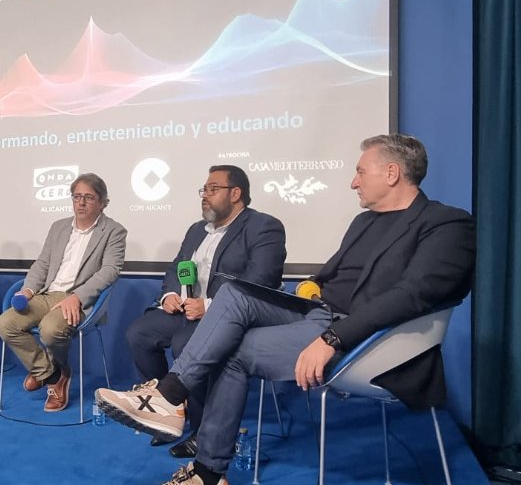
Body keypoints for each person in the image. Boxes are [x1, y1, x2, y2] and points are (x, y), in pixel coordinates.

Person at [95, 134, 476, 485]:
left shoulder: (446, 224)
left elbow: (412, 295)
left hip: (362, 338)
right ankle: (170, 396)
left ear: (392, 173)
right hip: (319, 315)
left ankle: (207, 471)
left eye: (360, 171)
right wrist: (312, 289)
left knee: (232, 350)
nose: (353, 182)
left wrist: (332, 337)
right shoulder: (363, 222)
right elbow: (328, 275)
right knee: (235, 294)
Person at [124, 165, 285, 457]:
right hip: (187, 312)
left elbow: (262, 282)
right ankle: (169, 411)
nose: (205, 196)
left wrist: (210, 306)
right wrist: (171, 295)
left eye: (213, 189)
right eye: (204, 190)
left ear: (236, 194)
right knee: (140, 333)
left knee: (185, 344)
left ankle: (203, 432)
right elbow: (176, 266)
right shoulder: (197, 230)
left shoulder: (264, 227)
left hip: (228, 318)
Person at [0, 173, 127, 412]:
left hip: (80, 298)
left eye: (88, 197)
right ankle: (53, 374)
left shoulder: (114, 231)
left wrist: (77, 297)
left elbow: (110, 271)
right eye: (77, 196)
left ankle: (45, 372)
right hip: (47, 295)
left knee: (50, 330)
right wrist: (28, 290)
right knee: (6, 323)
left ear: (102, 202)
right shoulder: (58, 227)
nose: (81, 202)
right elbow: (43, 264)